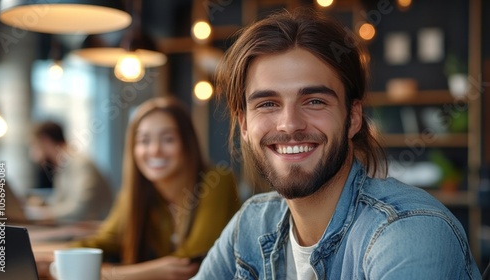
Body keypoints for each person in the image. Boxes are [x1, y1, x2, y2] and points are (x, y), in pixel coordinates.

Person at [193, 8, 481, 279]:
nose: (290, 124)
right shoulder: (253, 223)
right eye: (268, 104)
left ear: (353, 117)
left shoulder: (408, 231)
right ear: (244, 124)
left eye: (315, 101)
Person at [61, 96, 241, 279]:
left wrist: (110, 275)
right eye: (144, 141)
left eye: (168, 139)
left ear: (188, 143)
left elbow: (188, 264)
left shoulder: (217, 180)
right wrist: (58, 260)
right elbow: (104, 240)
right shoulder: (135, 193)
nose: (154, 150)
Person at [28, 121, 112, 224]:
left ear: (45, 141)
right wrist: (41, 204)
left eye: (34, 145)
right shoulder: (62, 165)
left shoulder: (80, 164)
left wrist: (40, 215)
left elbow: (79, 210)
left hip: (95, 230)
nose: (32, 154)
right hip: (77, 228)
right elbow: (60, 202)